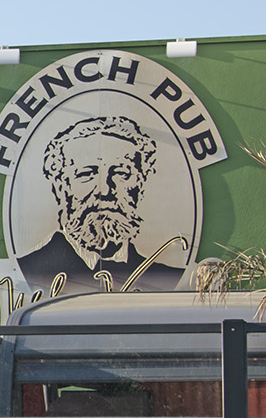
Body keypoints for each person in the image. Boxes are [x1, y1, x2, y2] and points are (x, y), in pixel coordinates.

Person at [15, 115, 183, 293]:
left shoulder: (169, 279)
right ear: (60, 186)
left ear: (140, 185)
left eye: (121, 173)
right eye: (87, 174)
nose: (105, 191)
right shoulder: (26, 271)